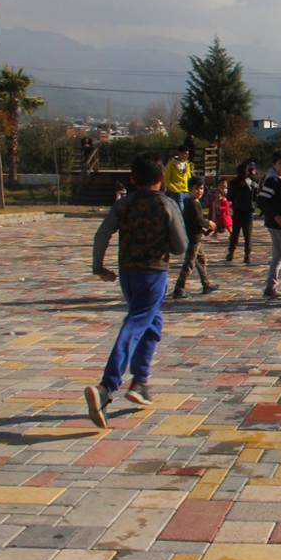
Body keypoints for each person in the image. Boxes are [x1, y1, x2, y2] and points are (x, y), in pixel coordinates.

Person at [87, 151, 187, 429]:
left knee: (151, 323)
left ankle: (140, 381)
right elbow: (181, 247)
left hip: (128, 274)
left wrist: (98, 267)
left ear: (132, 179)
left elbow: (101, 235)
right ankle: (107, 387)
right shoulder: (166, 204)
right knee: (135, 324)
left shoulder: (124, 205)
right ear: (161, 177)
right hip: (153, 274)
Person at [173, 176, 219, 299]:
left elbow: (194, 222)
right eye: (196, 189)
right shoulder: (191, 203)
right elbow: (197, 220)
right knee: (189, 264)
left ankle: (206, 284)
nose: (199, 191)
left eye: (201, 188)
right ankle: (178, 289)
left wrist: (203, 231)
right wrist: (208, 223)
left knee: (201, 260)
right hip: (192, 239)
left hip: (196, 237)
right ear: (190, 189)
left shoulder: (195, 203)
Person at [257, 150, 281, 297]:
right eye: (280, 164)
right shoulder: (273, 180)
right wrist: (275, 216)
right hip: (278, 224)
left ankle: (270, 287)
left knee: (278, 255)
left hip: (278, 223)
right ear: (274, 164)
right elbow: (261, 200)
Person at [226, 161, 258, 263]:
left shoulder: (233, 183)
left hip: (237, 210)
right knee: (247, 234)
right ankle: (247, 255)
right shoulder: (252, 182)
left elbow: (229, 197)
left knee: (235, 233)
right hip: (248, 210)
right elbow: (256, 194)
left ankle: (231, 253)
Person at [163, 145, 193, 213]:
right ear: (179, 153)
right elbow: (167, 180)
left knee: (188, 212)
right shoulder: (171, 164)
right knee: (180, 211)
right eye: (185, 154)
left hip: (186, 191)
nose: (186, 156)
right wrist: (175, 190)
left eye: (187, 154)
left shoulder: (187, 165)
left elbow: (189, 177)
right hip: (177, 192)